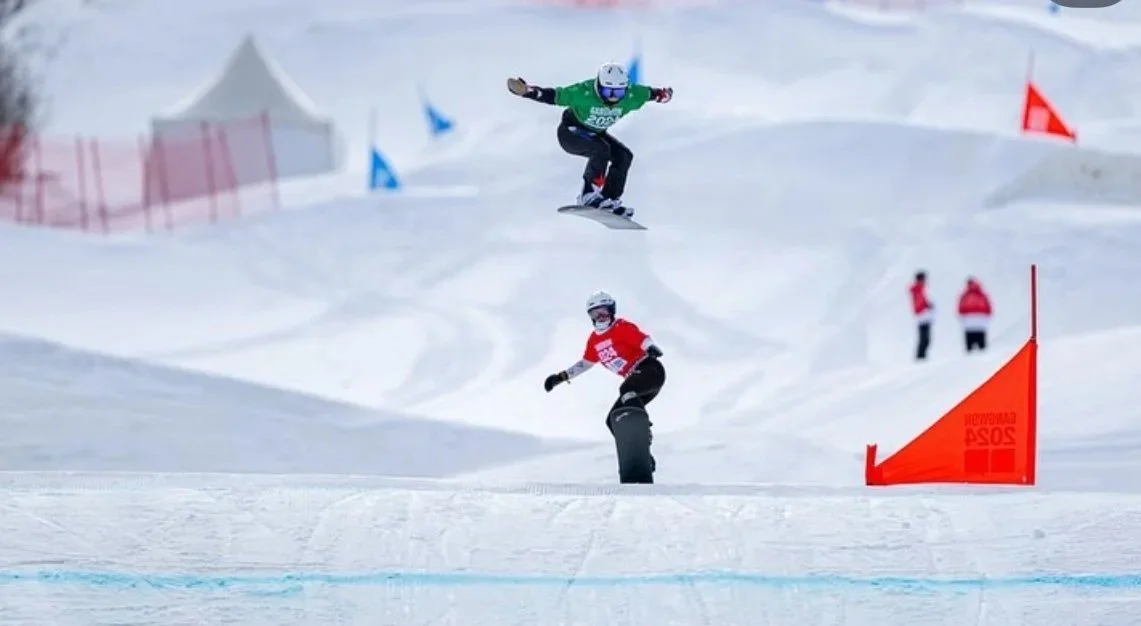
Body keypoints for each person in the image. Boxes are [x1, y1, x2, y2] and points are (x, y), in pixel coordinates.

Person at [507, 62, 674, 218]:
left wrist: (664, 95)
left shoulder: (633, 95)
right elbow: (554, 96)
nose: (613, 98)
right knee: (601, 149)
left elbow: (653, 94)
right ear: (598, 86)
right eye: (608, 92)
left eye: (618, 93)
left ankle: (608, 198)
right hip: (570, 132)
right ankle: (588, 195)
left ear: (626, 89)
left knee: (624, 156)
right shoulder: (583, 92)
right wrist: (528, 91)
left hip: (595, 134)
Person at [543, 290, 666, 481]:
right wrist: (561, 377)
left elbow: (641, 338)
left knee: (626, 390)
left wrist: (650, 347)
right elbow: (585, 363)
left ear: (612, 311)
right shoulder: (594, 340)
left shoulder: (620, 327)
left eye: (604, 312)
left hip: (650, 371)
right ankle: (642, 456)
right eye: (595, 313)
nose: (600, 317)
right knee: (613, 419)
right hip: (635, 384)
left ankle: (644, 430)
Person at [957, 276, 992, 352]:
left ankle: (969, 354)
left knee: (969, 346)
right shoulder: (981, 294)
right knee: (982, 347)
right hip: (981, 322)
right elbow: (988, 308)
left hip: (968, 322)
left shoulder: (965, 295)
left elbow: (960, 309)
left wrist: (962, 318)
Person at [910, 271, 934, 360]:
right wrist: (926, 306)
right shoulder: (917, 289)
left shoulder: (920, 289)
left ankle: (922, 357)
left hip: (925, 316)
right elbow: (918, 303)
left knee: (926, 339)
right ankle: (920, 358)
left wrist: (927, 305)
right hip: (922, 316)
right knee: (924, 339)